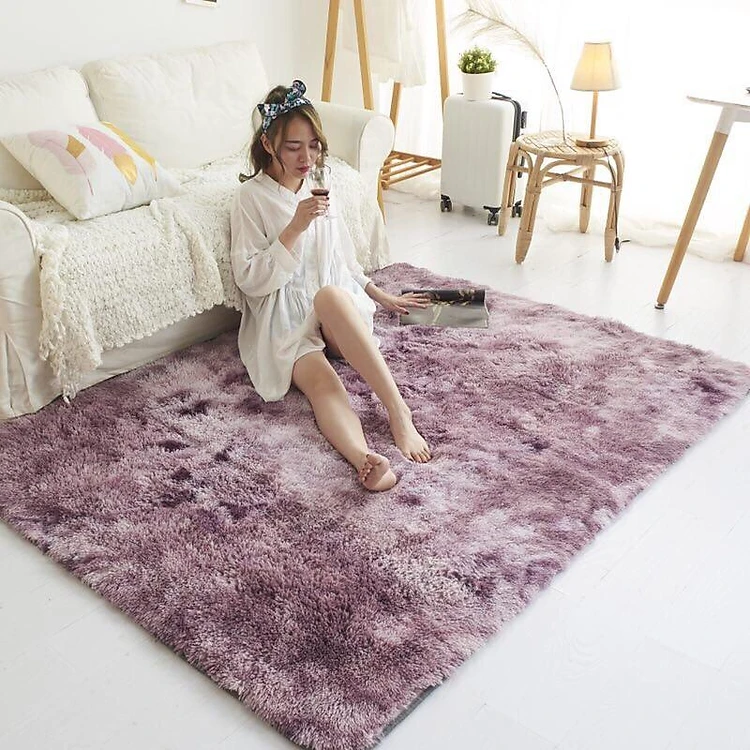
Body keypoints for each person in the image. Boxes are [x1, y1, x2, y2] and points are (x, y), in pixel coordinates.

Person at [230, 80, 432, 492]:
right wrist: (294, 227)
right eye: (293, 147)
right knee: (323, 384)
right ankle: (364, 459)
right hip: (284, 318)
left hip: (333, 307)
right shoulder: (250, 199)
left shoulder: (322, 183)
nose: (306, 158)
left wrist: (377, 292)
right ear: (268, 144)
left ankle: (398, 411)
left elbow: (341, 258)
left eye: (313, 146)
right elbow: (250, 281)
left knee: (329, 296)